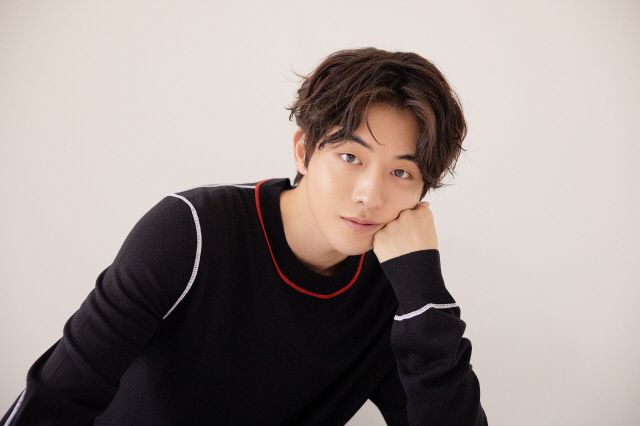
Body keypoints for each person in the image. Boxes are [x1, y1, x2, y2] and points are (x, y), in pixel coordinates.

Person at [1, 47, 488, 426]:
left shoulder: (398, 287)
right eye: (349, 157)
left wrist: (424, 292)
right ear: (303, 151)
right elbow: (56, 398)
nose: (370, 195)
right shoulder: (192, 231)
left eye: (401, 172)